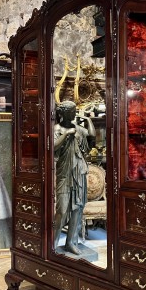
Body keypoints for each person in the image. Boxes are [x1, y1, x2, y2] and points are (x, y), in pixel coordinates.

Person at [54, 100, 95, 255]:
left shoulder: (79, 129)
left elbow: (91, 140)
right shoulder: (56, 129)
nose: (73, 113)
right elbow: (53, 147)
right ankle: (53, 242)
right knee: (62, 210)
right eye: (71, 111)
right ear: (63, 113)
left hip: (79, 171)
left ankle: (71, 242)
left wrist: (89, 120)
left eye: (74, 111)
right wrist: (65, 134)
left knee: (78, 208)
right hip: (64, 173)